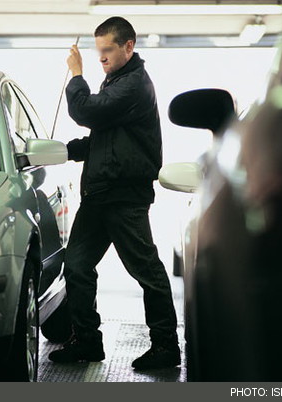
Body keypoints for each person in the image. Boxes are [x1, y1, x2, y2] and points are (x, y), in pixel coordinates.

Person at [48, 16, 180, 370]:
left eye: (108, 50)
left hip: (124, 197)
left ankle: (166, 346)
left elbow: (87, 111)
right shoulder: (116, 80)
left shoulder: (134, 84)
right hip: (99, 194)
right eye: (98, 51)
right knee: (76, 266)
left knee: (146, 271)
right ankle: (87, 342)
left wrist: (76, 74)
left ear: (128, 46)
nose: (101, 57)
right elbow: (105, 139)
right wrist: (65, 151)